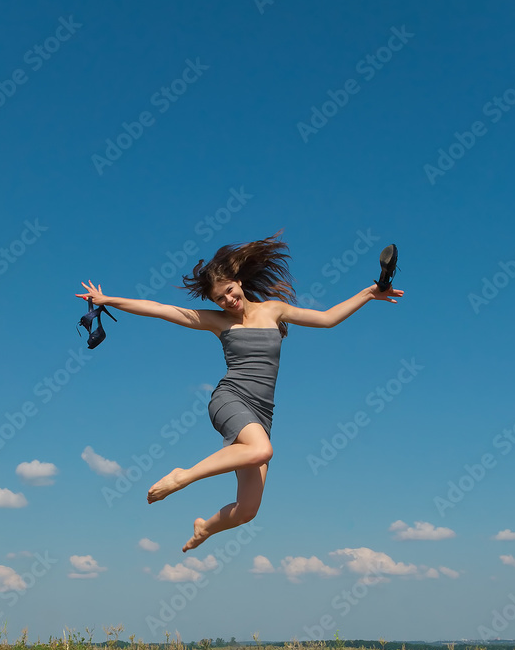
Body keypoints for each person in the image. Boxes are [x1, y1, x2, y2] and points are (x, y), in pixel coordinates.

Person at [75, 231, 403, 552]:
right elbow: (161, 309)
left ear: (239, 282)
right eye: (220, 298)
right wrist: (108, 300)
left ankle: (204, 526)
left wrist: (369, 293)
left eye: (230, 291)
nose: (228, 300)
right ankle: (183, 476)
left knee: (247, 511)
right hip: (230, 399)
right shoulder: (218, 321)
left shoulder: (274, 310)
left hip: (262, 413)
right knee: (262, 451)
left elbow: (327, 318)